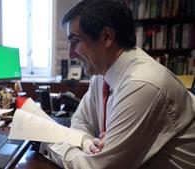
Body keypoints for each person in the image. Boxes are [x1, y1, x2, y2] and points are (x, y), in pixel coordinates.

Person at [39, 0, 195, 168]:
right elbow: (81, 122)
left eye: (75, 41)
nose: (70, 54)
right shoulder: (101, 73)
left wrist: (51, 144)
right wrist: (88, 143)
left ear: (107, 37)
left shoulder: (142, 84)